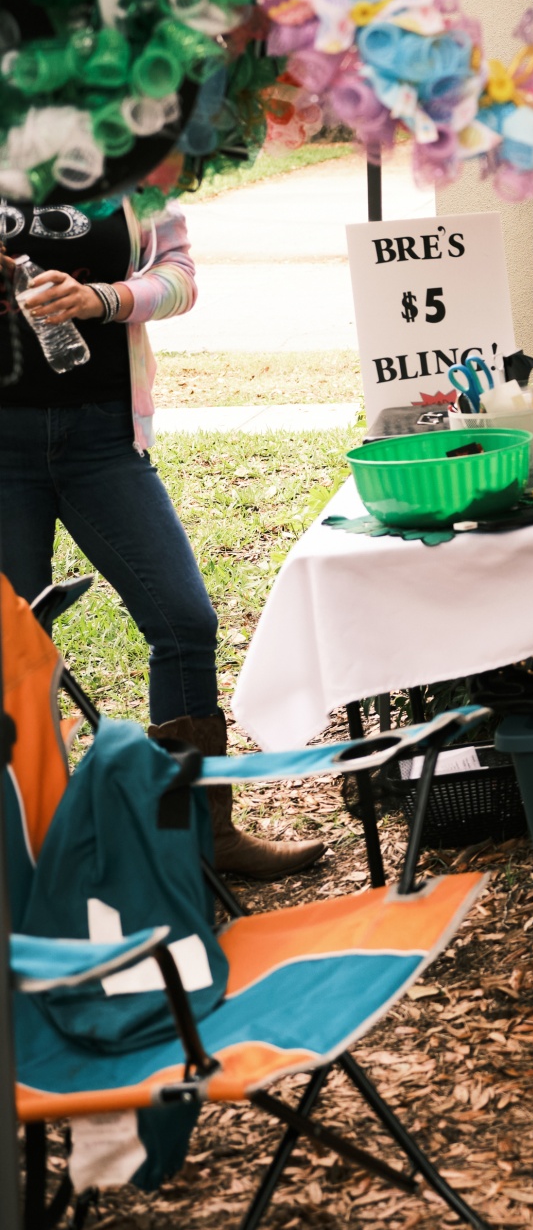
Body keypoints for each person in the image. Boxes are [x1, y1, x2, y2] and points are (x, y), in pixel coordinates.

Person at [0, 193, 325, 879]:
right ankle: (36, 863)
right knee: (13, 655)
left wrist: (99, 299)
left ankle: (200, 837)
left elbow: (178, 276)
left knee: (184, 621)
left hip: (102, 440)